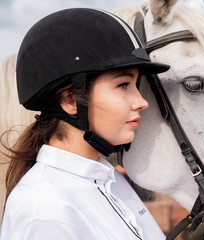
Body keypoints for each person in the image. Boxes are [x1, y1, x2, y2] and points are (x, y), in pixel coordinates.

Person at [0, 8, 170, 240]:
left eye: (135, 86)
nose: (141, 102)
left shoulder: (109, 178)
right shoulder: (45, 213)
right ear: (71, 100)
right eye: (123, 85)